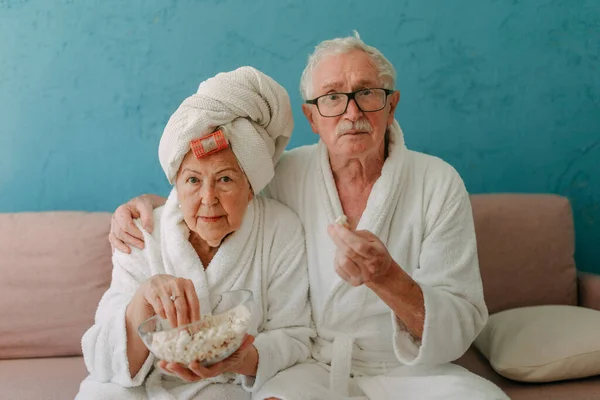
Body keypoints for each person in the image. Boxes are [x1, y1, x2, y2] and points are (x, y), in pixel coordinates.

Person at [109, 33, 510, 399]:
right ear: (312, 117)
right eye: (332, 97)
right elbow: (217, 191)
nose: (352, 111)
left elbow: (461, 322)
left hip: (413, 372)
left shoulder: (438, 183)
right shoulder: (285, 174)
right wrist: (150, 204)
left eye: (367, 93)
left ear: (392, 105)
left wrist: (387, 277)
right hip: (311, 368)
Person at [76, 66, 314, 400]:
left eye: (226, 179)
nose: (208, 198)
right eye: (192, 180)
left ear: (251, 187)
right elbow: (103, 359)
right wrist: (143, 301)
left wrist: (243, 359)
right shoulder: (141, 231)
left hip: (226, 385)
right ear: (176, 183)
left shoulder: (280, 230)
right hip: (143, 386)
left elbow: (295, 336)